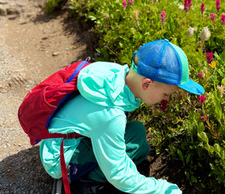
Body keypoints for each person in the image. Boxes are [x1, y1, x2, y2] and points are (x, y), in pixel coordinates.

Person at [40, 39, 204, 193]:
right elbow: (119, 175)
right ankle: (89, 184)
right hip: (59, 160)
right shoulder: (111, 115)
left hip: (60, 139)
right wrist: (164, 189)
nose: (166, 99)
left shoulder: (115, 73)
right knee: (129, 152)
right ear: (146, 84)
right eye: (166, 94)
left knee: (137, 135)